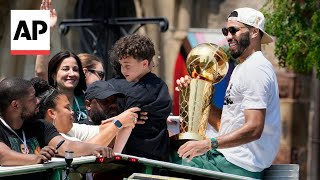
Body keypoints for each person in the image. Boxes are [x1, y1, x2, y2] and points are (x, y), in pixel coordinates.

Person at [175, 7, 280, 179]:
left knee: (160, 155)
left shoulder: (256, 69)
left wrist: (209, 144)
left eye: (234, 30)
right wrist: (196, 95)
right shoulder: (243, 67)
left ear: (254, 32)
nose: (228, 36)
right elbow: (226, 125)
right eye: (226, 31)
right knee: (168, 148)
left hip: (235, 165)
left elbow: (254, 128)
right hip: (228, 160)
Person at [0, 77, 113, 179]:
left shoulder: (40, 126)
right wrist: (36, 158)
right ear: (15, 105)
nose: (38, 100)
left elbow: (66, 146)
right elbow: (4, 156)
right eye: (32, 98)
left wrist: (93, 148)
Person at [109, 34, 172, 161]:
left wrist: (114, 157)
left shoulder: (138, 94)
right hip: (159, 156)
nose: (123, 70)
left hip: (137, 160)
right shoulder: (160, 85)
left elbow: (125, 127)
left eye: (127, 66)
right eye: (121, 65)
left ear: (144, 64)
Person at [35, 0, 106, 85]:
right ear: (84, 72)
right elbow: (40, 71)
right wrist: (47, 30)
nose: (103, 80)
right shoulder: (60, 94)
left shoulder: (103, 97)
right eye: (101, 74)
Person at [47, 50, 88, 123]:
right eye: (65, 69)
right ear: (54, 75)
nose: (72, 74)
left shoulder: (86, 100)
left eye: (75, 70)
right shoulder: (46, 102)